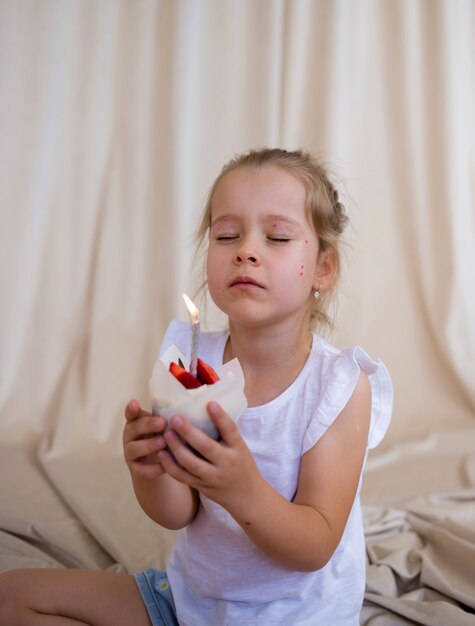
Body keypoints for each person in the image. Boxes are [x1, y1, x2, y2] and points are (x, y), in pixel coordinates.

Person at [0, 148, 392, 625]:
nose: (246, 250)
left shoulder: (339, 388)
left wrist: (242, 489)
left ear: (324, 269)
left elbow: (315, 545)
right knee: (13, 595)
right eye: (227, 235)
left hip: (293, 616)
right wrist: (152, 470)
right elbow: (177, 514)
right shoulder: (190, 358)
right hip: (192, 603)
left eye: (277, 236)